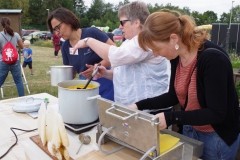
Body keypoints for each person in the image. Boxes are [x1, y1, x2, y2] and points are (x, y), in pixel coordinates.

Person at [129, 11, 240, 159]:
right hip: (191, 129)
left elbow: (217, 113)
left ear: (173, 39)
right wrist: (137, 106)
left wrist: (171, 118)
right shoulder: (176, 56)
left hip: (216, 137)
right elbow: (173, 96)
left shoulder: (213, 59)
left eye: (157, 49)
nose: (156, 55)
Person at [73, 1, 171, 114]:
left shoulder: (145, 40)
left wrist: (88, 41)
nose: (120, 26)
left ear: (137, 22)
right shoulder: (129, 42)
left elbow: (116, 55)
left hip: (151, 111)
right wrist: (107, 73)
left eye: (122, 22)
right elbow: (125, 74)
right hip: (134, 111)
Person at [47, 7, 115, 101]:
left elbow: (115, 53)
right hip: (86, 88)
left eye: (58, 28)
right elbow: (72, 72)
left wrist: (96, 69)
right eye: (54, 30)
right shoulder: (65, 46)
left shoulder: (92, 32)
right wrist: (59, 74)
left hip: (106, 83)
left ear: (68, 21)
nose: (57, 33)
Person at [0, 17, 24, 97]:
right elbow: (22, 47)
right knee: (18, 82)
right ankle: (22, 99)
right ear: (10, 24)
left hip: (3, 61)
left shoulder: (0, 35)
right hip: (15, 61)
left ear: (1, 24)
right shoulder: (16, 34)